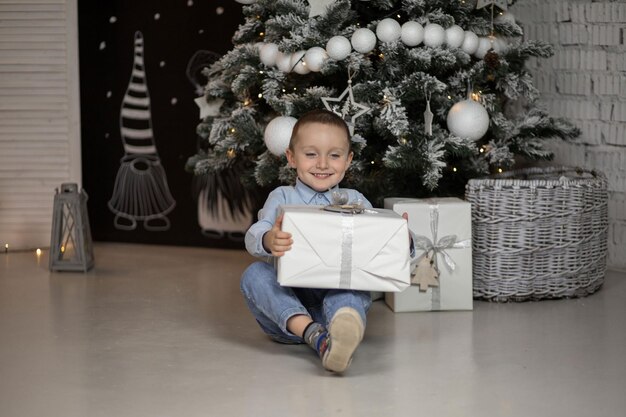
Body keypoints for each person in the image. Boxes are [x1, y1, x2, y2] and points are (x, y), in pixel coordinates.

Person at [240, 109, 373, 373]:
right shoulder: (282, 197)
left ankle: (340, 331)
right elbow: (255, 233)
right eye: (311, 154)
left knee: (352, 287)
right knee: (254, 274)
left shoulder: (356, 200)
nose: (322, 164)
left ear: (348, 161)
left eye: (334, 155)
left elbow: (378, 239)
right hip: (286, 315)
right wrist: (268, 239)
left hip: (334, 305)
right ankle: (315, 335)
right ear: (291, 157)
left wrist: (403, 239)